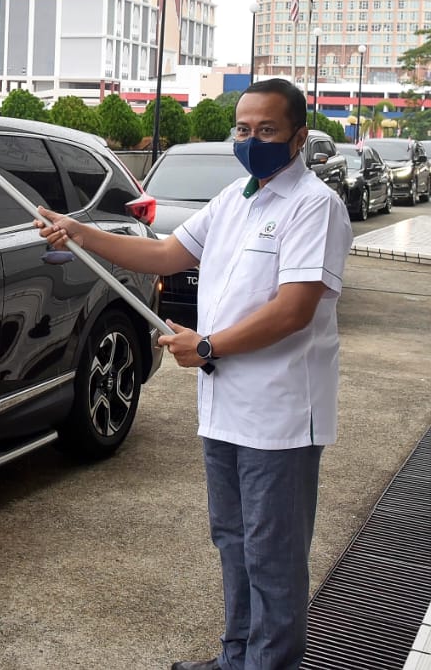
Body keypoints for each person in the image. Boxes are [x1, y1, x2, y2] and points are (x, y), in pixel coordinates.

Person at [35, 78, 352, 670]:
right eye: (242, 128)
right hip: (225, 408)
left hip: (279, 416)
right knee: (233, 543)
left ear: (297, 137)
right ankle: (237, 658)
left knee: (272, 555)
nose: (251, 140)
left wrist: (208, 346)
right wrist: (81, 232)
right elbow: (163, 254)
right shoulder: (235, 199)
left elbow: (294, 309)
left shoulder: (315, 206)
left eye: (266, 131)